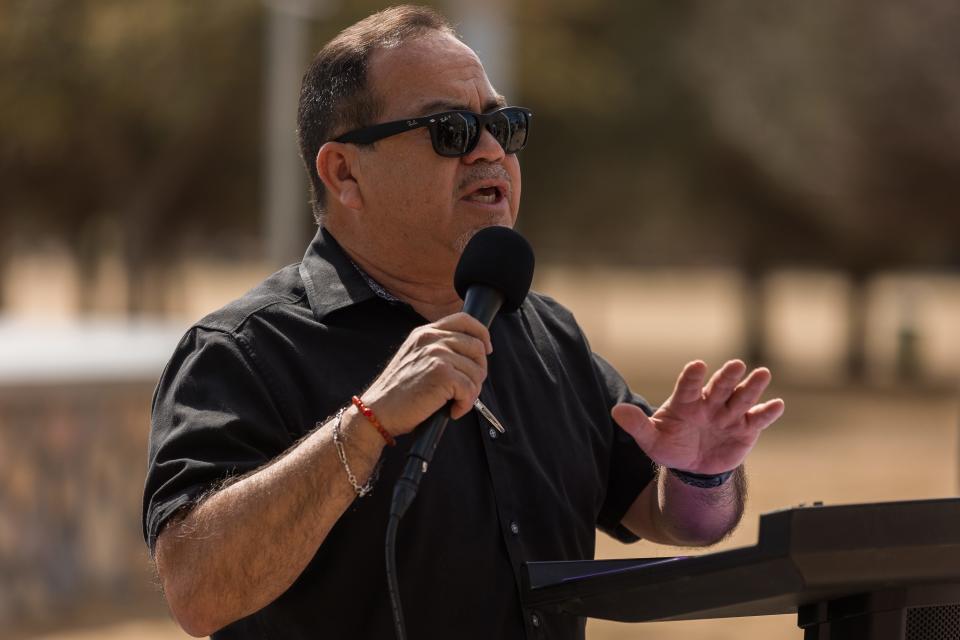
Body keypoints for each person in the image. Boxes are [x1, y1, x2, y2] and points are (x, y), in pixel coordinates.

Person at [142, 5, 785, 639]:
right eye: (449, 130)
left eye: (501, 125)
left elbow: (674, 518)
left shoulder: (548, 336)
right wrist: (365, 427)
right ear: (344, 172)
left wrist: (703, 476)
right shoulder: (244, 351)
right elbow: (198, 593)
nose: (488, 151)